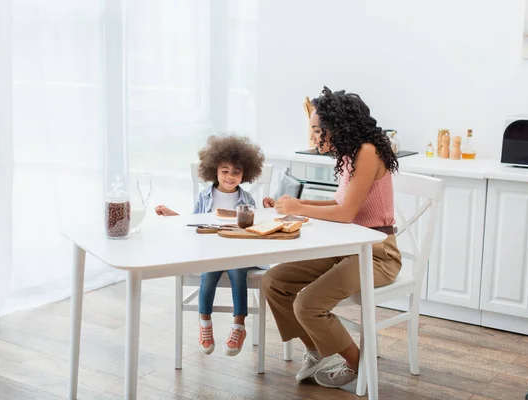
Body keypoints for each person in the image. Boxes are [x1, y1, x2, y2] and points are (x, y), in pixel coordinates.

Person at [262, 87, 402, 388]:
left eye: (317, 130)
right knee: (274, 282)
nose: (313, 138)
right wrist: (295, 205)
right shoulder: (351, 154)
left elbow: (346, 213)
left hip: (377, 254)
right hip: (347, 248)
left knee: (307, 304)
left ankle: (357, 362)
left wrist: (300, 207)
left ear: (338, 127)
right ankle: (317, 350)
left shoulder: (367, 152)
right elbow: (339, 204)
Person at [155, 133, 274, 356]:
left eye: (236, 172)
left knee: (238, 274)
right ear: (215, 171)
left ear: (244, 173)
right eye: (225, 171)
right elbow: (193, 222)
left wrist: (268, 208)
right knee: (208, 276)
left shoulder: (246, 199)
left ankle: (239, 325)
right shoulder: (205, 196)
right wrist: (171, 214)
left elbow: (257, 225)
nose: (230, 177)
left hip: (238, 251)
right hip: (210, 251)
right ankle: (205, 324)